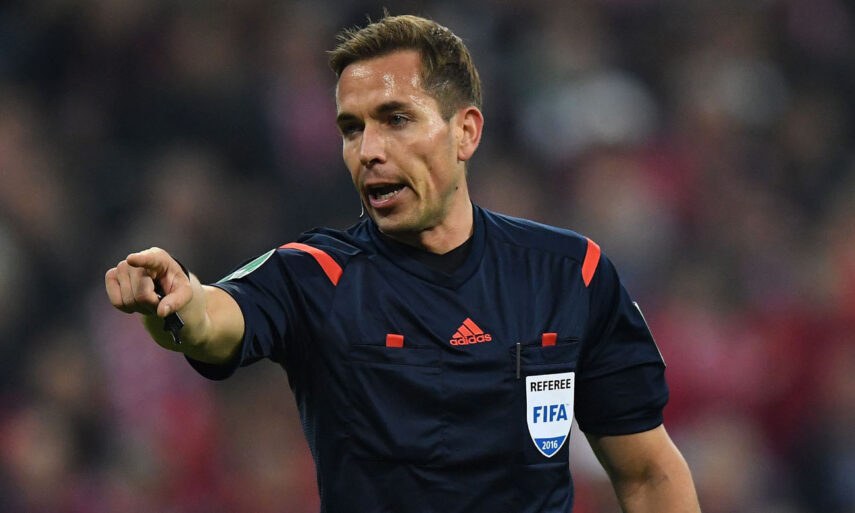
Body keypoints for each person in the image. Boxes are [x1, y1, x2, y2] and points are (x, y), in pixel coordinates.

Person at [105, 14, 701, 513]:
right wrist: (173, 304)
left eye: (395, 119)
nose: (368, 150)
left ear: (465, 133)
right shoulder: (314, 275)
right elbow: (212, 320)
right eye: (351, 128)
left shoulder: (571, 273)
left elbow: (649, 473)